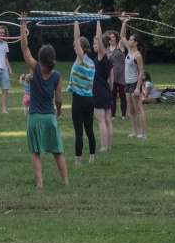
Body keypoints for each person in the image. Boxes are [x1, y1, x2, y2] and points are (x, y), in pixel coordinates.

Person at [16, 18, 68, 187]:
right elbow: (58, 99)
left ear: (39, 57)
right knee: (57, 152)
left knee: (35, 152)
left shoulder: (35, 69)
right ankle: (65, 182)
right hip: (49, 118)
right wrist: (58, 110)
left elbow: (24, 48)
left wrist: (23, 26)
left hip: (35, 118)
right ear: (53, 58)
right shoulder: (57, 76)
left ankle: (40, 184)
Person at [67, 20, 97, 165]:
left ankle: (77, 161)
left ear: (80, 47)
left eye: (75, 46)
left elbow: (76, 36)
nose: (74, 48)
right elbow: (91, 85)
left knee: (79, 132)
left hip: (78, 100)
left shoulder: (81, 58)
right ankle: (92, 158)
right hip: (89, 99)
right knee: (89, 130)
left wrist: (76, 20)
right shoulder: (91, 62)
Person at [91, 20, 116, 152]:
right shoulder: (108, 59)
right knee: (107, 120)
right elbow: (111, 78)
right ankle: (109, 146)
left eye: (95, 43)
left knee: (101, 121)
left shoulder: (101, 56)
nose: (93, 45)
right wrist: (110, 91)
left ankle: (103, 147)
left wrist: (98, 20)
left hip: (99, 91)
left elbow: (99, 37)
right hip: (106, 90)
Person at [123, 22, 149, 140]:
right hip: (127, 83)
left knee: (139, 109)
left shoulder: (138, 56)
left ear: (136, 42)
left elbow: (141, 72)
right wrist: (124, 23)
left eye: (131, 40)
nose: (128, 41)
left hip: (134, 84)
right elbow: (121, 36)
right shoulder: (129, 50)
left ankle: (143, 135)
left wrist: (138, 87)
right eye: (129, 40)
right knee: (132, 109)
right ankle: (134, 132)